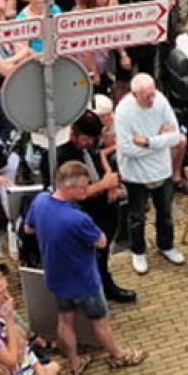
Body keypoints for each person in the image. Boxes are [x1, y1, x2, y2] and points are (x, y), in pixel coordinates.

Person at [25, 161, 149, 375]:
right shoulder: (79, 219)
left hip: (56, 277)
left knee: (65, 321)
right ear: (69, 187)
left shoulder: (41, 202)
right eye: (83, 186)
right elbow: (101, 242)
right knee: (100, 322)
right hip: (84, 280)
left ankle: (74, 364)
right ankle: (118, 355)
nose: (86, 190)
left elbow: (28, 228)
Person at [54, 112, 135, 304]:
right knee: (91, 255)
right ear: (73, 133)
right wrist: (104, 185)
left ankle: (104, 284)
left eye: (92, 138)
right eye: (85, 138)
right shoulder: (64, 156)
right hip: (84, 212)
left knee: (102, 253)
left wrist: (110, 182)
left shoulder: (89, 147)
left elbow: (99, 157)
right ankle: (99, 290)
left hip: (103, 209)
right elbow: (70, 194)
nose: (89, 142)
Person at [114, 74, 186, 275]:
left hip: (161, 170)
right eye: (146, 97)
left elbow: (175, 137)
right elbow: (127, 149)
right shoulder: (123, 112)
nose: (151, 100)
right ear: (134, 94)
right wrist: (160, 140)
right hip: (135, 174)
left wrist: (148, 142)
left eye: (152, 95)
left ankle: (166, 246)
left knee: (165, 213)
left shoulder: (161, 101)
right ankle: (138, 251)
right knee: (136, 216)